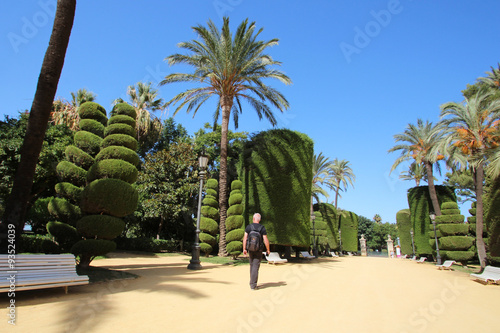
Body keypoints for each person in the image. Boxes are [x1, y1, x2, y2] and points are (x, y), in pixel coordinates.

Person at [242, 213, 270, 290]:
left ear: (253, 219)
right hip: (258, 250)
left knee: (252, 265)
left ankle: (252, 282)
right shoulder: (262, 228)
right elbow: (265, 240)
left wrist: (244, 249)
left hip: (250, 249)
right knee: (255, 266)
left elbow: (245, 238)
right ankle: (253, 285)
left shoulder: (249, 227)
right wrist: (268, 249)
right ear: (259, 219)